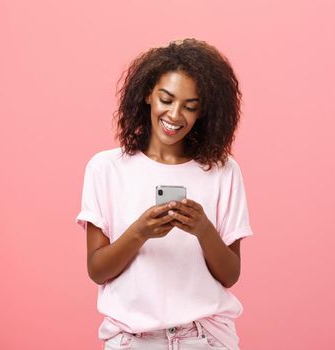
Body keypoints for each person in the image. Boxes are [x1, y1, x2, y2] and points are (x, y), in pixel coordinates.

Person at [76, 38, 254, 350]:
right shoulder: (105, 168)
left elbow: (230, 275)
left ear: (203, 112)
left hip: (205, 339)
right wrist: (140, 232)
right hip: (132, 341)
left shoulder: (223, 171)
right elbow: (97, 270)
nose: (175, 115)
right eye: (166, 99)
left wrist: (203, 230)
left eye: (190, 106)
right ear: (147, 95)